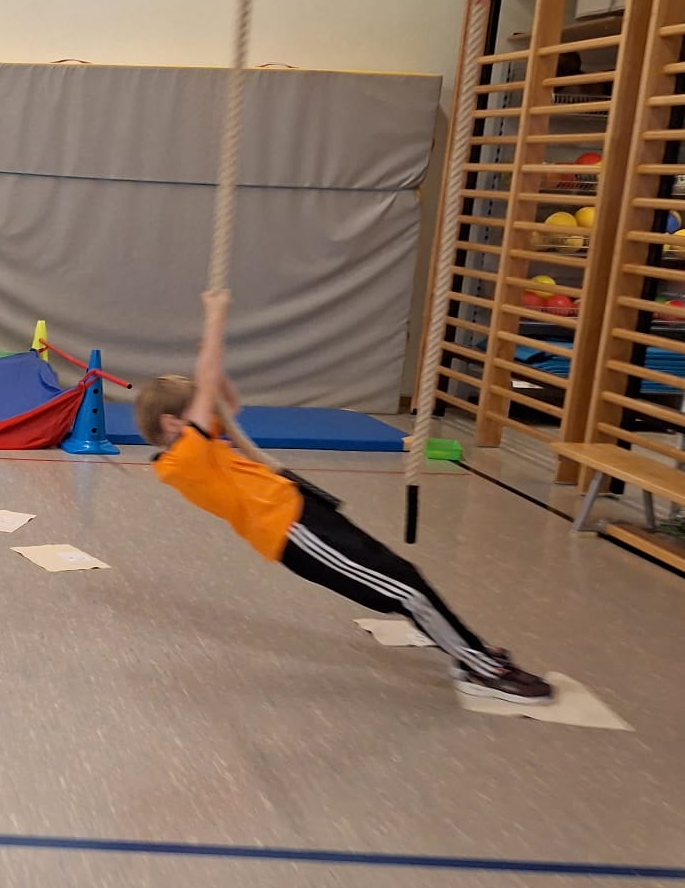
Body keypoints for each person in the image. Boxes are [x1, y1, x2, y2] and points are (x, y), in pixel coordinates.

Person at [136, 290, 552, 704]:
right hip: (294, 532)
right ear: (172, 423)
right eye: (194, 410)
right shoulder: (182, 460)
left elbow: (227, 402)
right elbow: (209, 391)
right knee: (406, 590)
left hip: (303, 510)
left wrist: (214, 364)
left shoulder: (195, 445)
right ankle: (480, 668)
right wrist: (215, 318)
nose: (204, 413)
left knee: (403, 576)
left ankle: (468, 651)